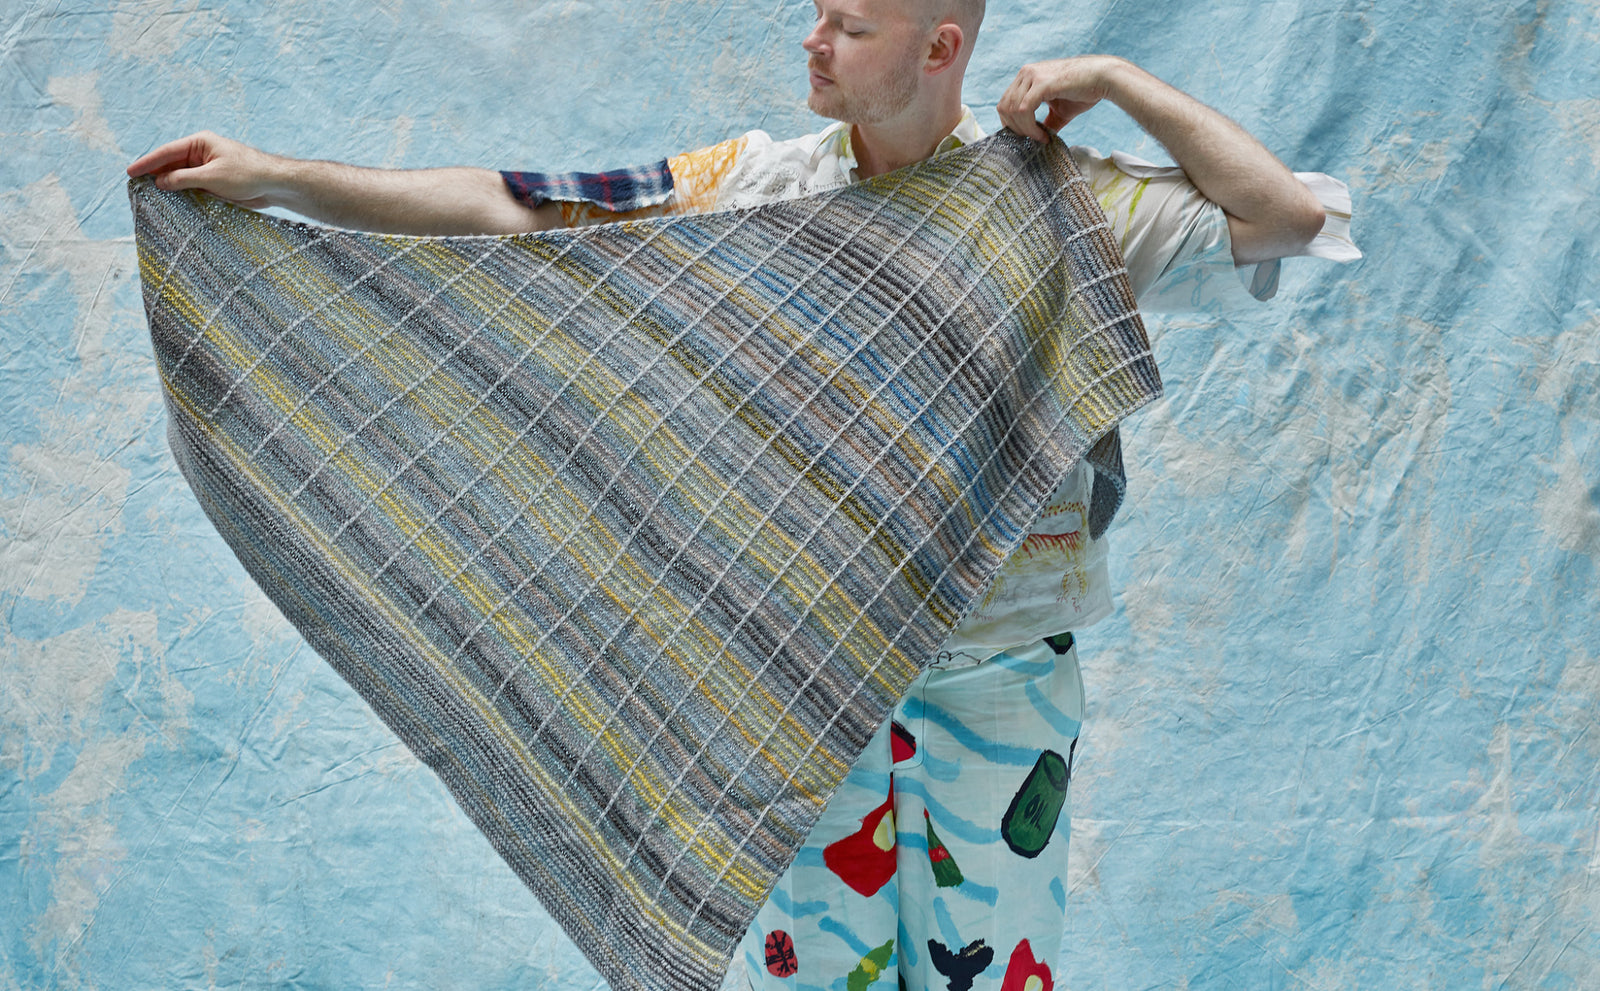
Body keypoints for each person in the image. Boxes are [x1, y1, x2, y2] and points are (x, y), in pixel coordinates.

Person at [128, 1, 1355, 988]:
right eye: (816, 15)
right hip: (804, 684)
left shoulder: (1056, 206)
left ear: (943, 48)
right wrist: (277, 179)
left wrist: (1122, 80)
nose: (813, 42)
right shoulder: (760, 187)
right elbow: (522, 204)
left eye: (849, 26)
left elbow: (1289, 216)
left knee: (999, 976)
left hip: (1002, 683)